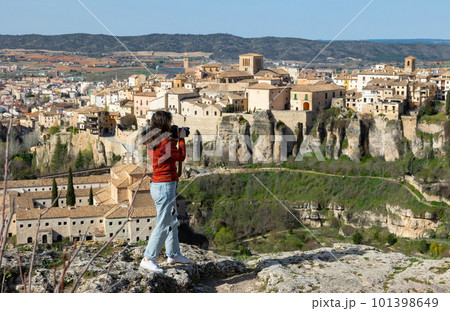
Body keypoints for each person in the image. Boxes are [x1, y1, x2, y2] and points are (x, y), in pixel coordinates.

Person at [140, 111, 190, 274]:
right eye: (169, 123)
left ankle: (173, 254)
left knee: (172, 221)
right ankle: (148, 258)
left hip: (161, 185)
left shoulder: (153, 139)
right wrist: (181, 138)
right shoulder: (164, 144)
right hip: (164, 186)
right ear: (164, 125)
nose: (171, 125)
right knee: (163, 224)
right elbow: (181, 157)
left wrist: (173, 137)